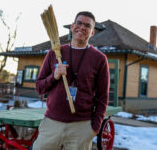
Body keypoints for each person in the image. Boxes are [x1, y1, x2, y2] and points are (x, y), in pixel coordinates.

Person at [33, 11, 110, 150]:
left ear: (92, 32)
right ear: (72, 26)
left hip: (81, 126)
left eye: (87, 25)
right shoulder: (54, 53)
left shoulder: (99, 59)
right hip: (52, 123)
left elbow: (103, 97)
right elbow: (39, 87)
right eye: (79, 23)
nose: (82, 27)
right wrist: (54, 76)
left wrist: (95, 128)